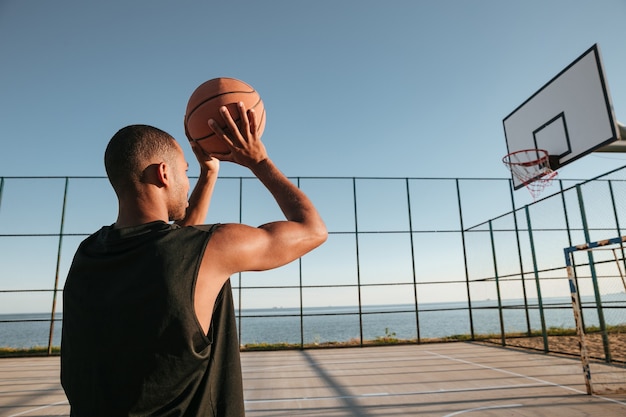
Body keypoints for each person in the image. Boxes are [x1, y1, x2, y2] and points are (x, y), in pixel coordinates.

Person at [61, 102, 327, 416]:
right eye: (185, 173)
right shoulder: (210, 249)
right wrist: (259, 160)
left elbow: (173, 246)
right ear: (163, 173)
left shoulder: (87, 255)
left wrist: (208, 173)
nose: (187, 183)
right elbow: (312, 230)